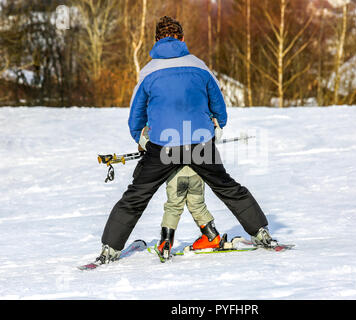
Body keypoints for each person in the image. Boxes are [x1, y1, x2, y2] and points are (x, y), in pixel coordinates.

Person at [94, 16, 277, 265]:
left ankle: (110, 248)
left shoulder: (149, 70)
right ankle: (260, 232)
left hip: (162, 146)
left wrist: (140, 138)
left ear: (157, 39)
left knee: (136, 196)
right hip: (200, 143)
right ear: (181, 38)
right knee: (226, 187)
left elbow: (136, 114)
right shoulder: (199, 66)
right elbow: (219, 105)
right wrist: (218, 125)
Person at [140, 127, 223, 259]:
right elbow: (215, 133)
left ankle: (166, 241)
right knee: (197, 204)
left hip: (176, 173)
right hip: (197, 171)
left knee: (174, 206)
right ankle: (211, 235)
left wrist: (146, 147)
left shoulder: (162, 120)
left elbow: (145, 140)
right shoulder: (197, 117)